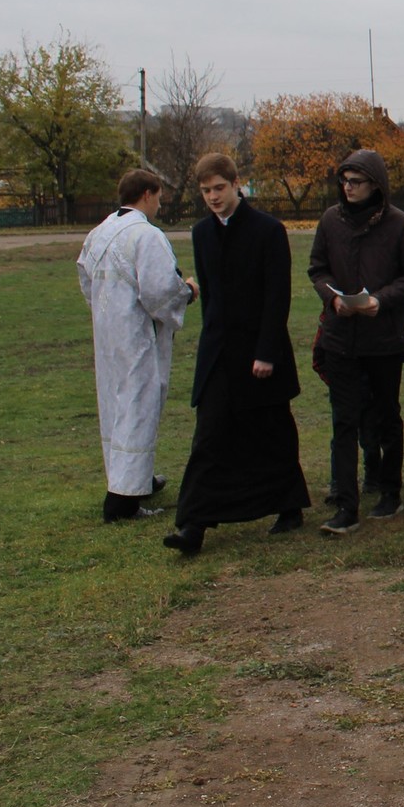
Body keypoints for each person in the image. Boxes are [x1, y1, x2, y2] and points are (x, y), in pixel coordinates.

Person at [164, 153, 310, 553]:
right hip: (219, 355)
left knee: (271, 431)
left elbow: (277, 296)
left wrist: (266, 352)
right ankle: (192, 526)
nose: (213, 197)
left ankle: (289, 506)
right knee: (209, 435)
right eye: (205, 191)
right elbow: (211, 297)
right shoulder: (201, 233)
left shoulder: (268, 230)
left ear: (235, 184)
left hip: (261, 353)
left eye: (219, 188)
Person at [307, 149, 404, 535]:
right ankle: (347, 506)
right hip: (340, 337)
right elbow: (317, 268)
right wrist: (333, 298)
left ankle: (390, 492)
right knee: (344, 420)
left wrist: (381, 300)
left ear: (375, 185)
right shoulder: (331, 220)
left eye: (356, 182)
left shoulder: (398, 224)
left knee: (387, 416)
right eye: (344, 181)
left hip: (384, 339)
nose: (348, 188)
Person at [76, 169, 196, 523]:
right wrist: (188, 291)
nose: (159, 204)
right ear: (147, 194)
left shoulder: (100, 231)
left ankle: (132, 478)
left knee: (115, 405)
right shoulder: (146, 235)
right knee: (139, 405)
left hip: (109, 333)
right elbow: (160, 291)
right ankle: (123, 501)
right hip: (138, 335)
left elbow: (85, 277)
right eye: (159, 197)